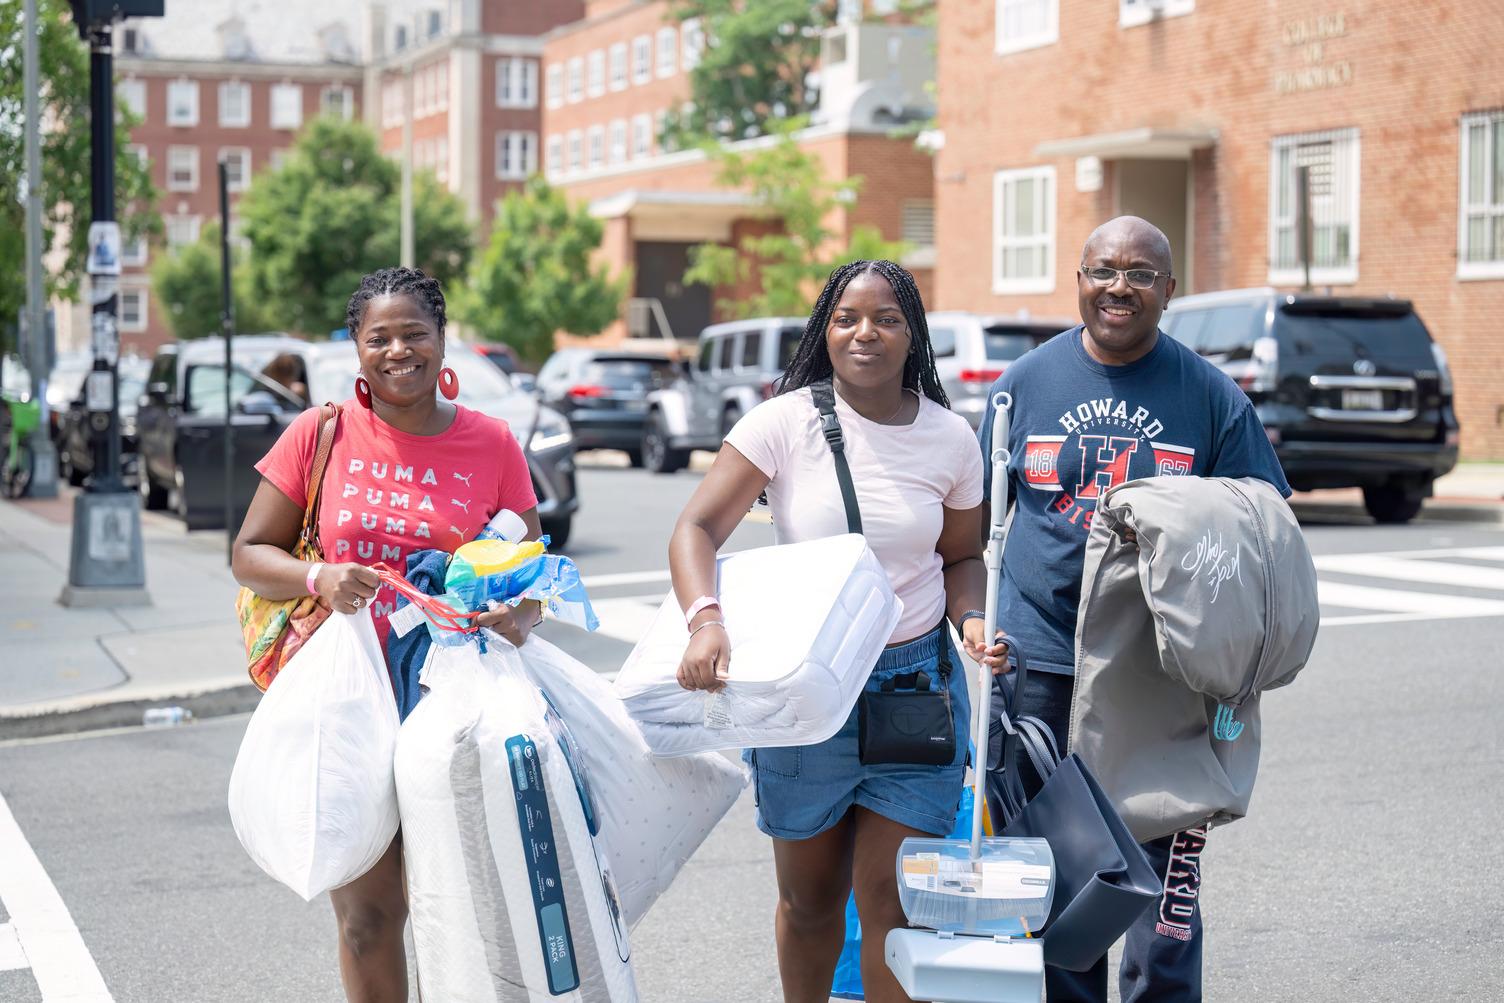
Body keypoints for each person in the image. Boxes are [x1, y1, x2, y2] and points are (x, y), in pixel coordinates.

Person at [668, 260, 1008, 1003]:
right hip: (809, 688)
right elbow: (695, 527)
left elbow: (961, 557)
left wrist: (974, 620)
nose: (865, 332)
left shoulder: (950, 437)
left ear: (912, 333)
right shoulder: (783, 422)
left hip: (914, 687)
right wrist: (706, 621)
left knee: (892, 906)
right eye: (847, 317)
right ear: (825, 329)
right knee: (811, 903)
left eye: (886, 318)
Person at [978, 217, 1291, 1003]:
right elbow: (974, 525)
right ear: (1079, 279)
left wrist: (1235, 670)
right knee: (1059, 881)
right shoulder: (1023, 386)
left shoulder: (1211, 396)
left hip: (1163, 675)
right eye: (1104, 269)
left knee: (1164, 897)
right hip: (1038, 664)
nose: (1121, 286)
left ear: (1169, 290)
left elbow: (1264, 530)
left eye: (1142, 273)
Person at [231, 266, 543, 1002]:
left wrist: (519, 617)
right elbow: (249, 553)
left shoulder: (493, 442)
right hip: (345, 699)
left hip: (456, 697)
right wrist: (319, 578)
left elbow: (532, 572)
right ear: (356, 347)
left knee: (466, 906)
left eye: (415, 333)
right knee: (370, 917)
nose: (398, 350)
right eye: (380, 337)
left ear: (442, 340)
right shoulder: (321, 431)